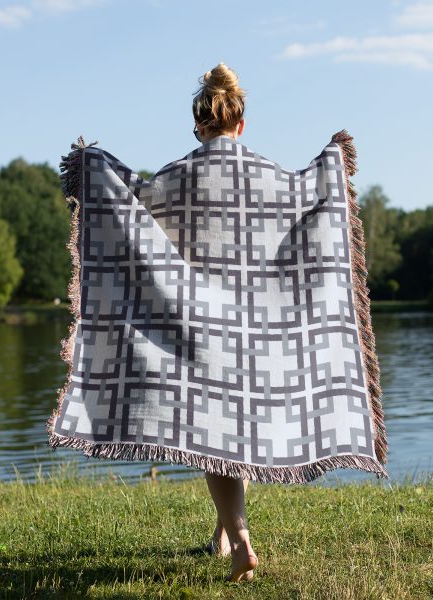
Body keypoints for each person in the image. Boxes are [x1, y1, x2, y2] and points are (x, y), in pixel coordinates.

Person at [191, 62, 257, 583]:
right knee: (236, 433)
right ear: (240, 123)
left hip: (201, 322)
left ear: (200, 126)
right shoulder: (266, 176)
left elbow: (135, 213)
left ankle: (241, 542)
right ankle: (220, 536)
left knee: (213, 438)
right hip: (256, 321)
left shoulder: (181, 175)